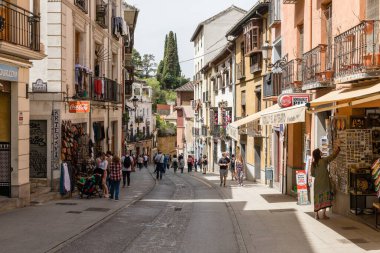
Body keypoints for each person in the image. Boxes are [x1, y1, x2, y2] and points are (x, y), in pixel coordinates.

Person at [311, 146, 340, 220]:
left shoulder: (313, 164)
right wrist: (338, 149)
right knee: (325, 198)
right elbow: (332, 156)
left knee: (317, 198)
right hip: (325, 182)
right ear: (318, 154)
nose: (321, 152)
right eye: (320, 151)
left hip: (317, 183)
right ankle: (323, 215)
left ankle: (316, 215)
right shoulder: (324, 160)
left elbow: (313, 174)